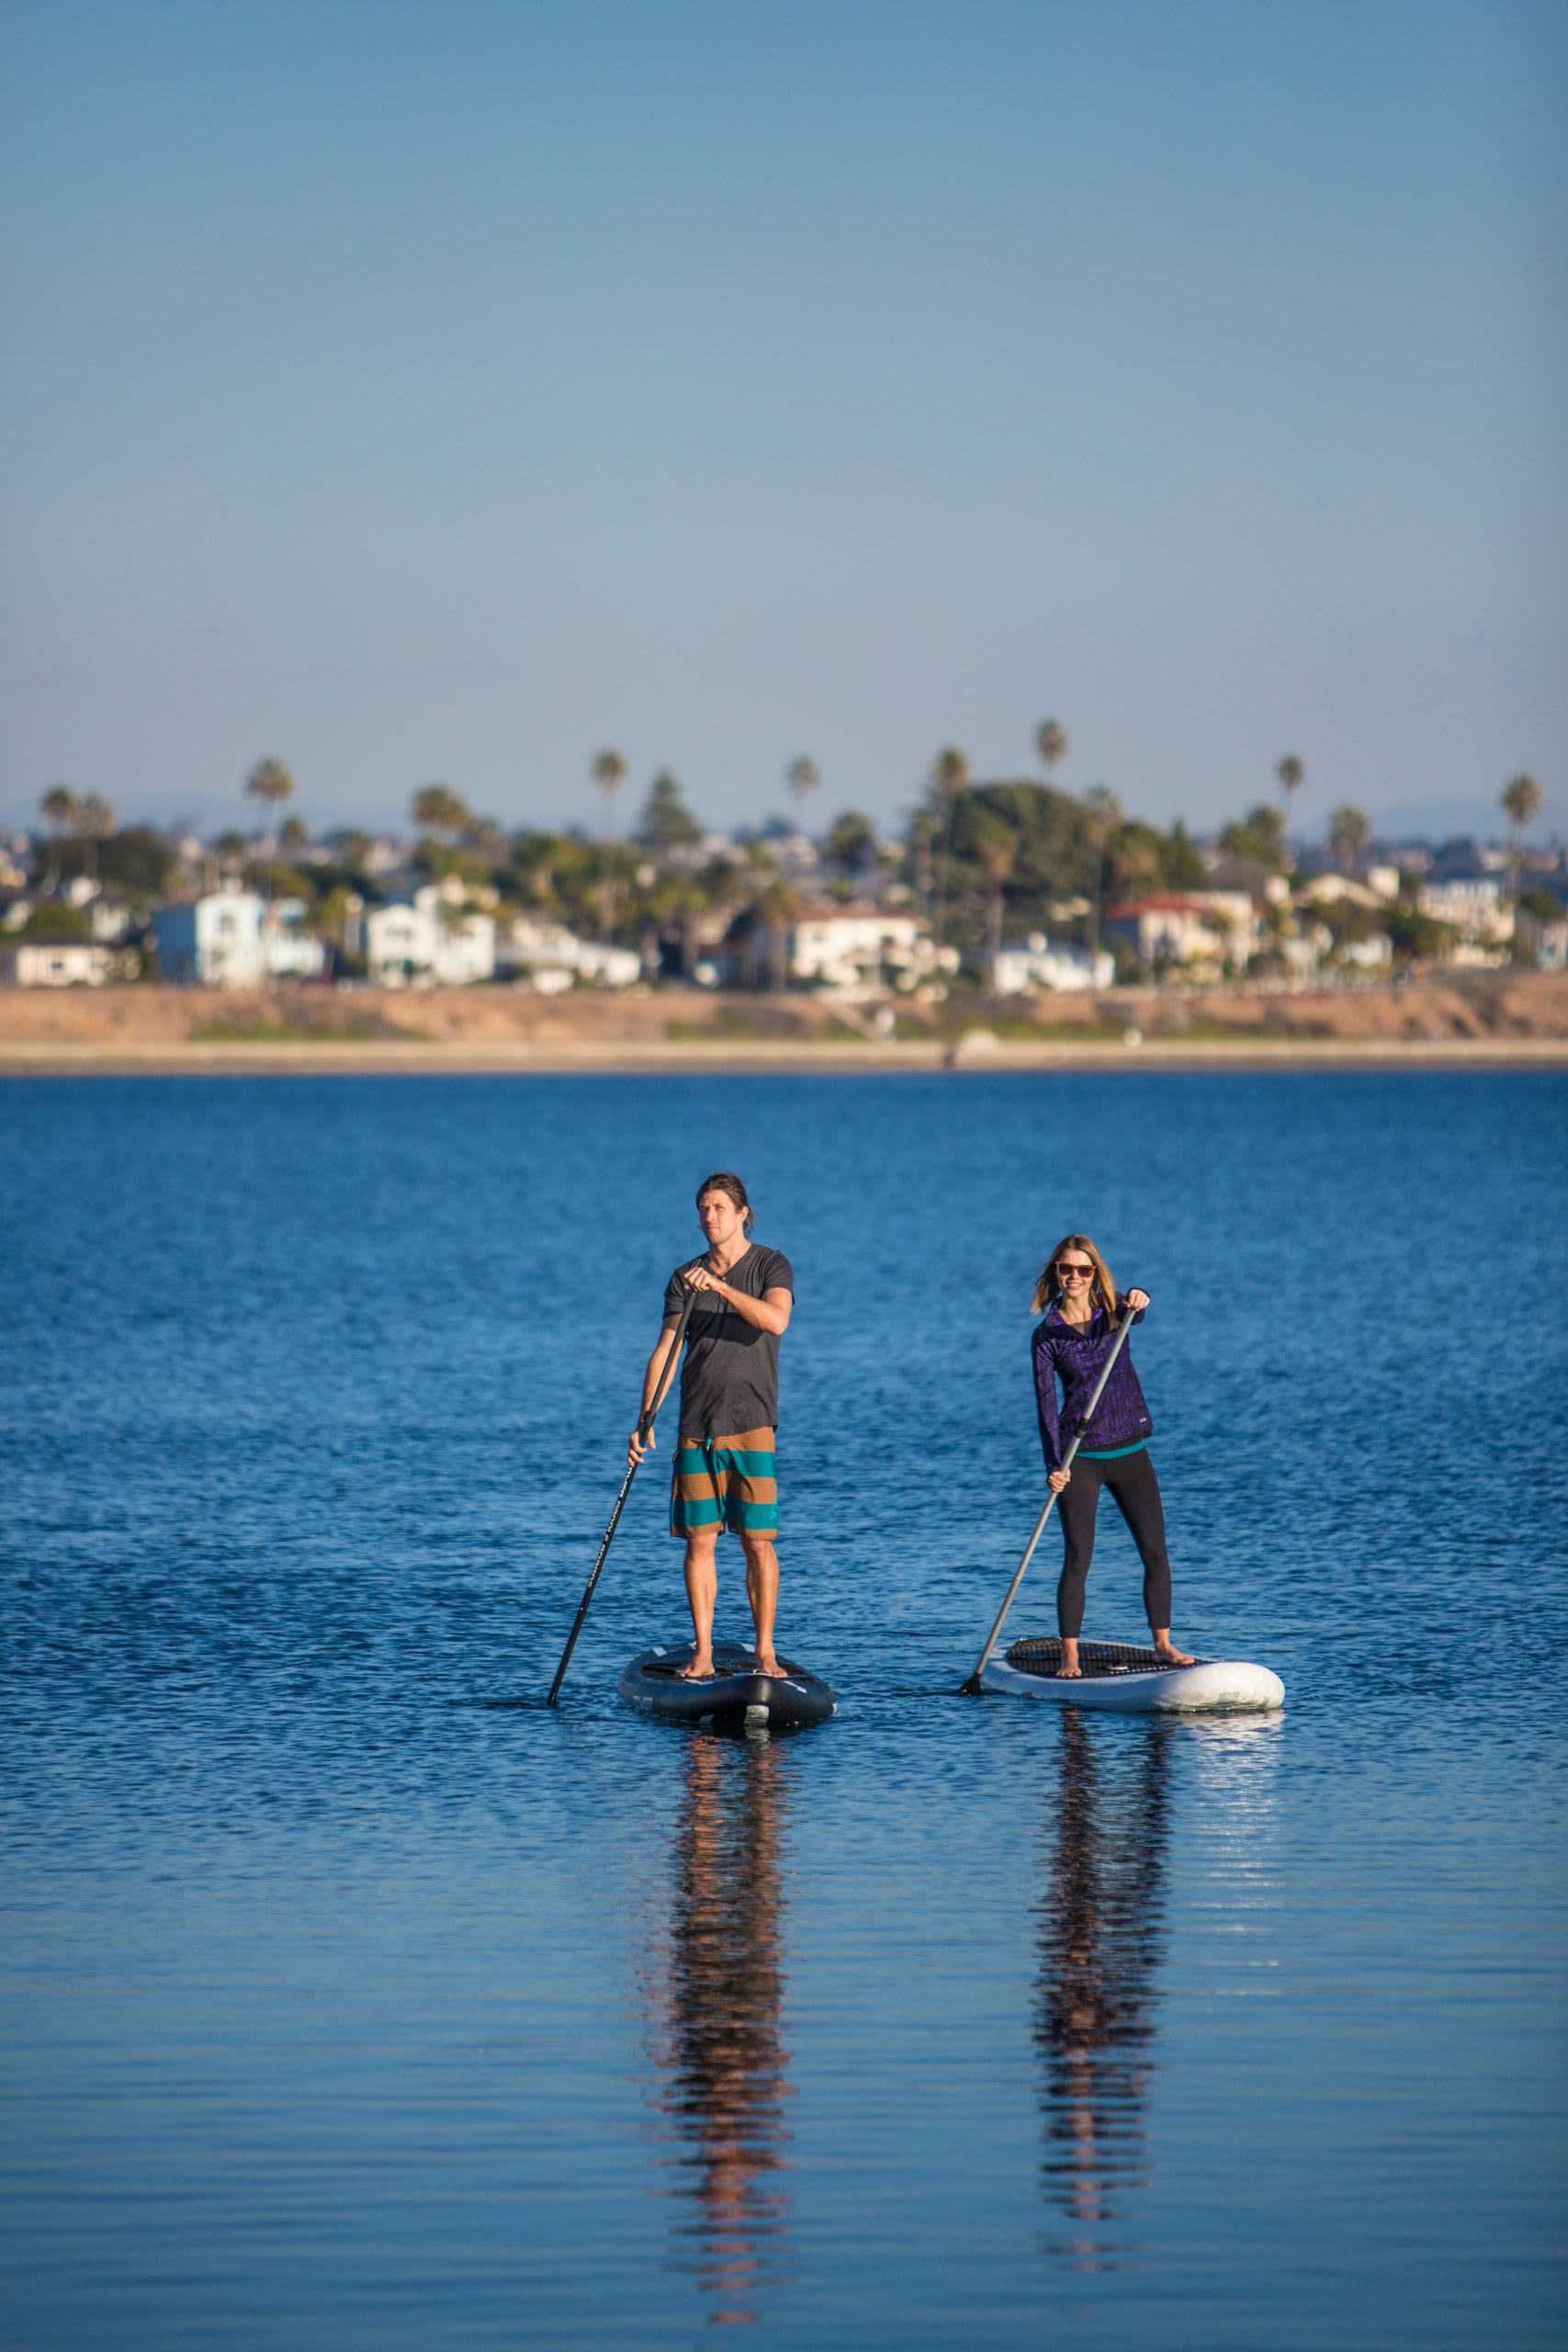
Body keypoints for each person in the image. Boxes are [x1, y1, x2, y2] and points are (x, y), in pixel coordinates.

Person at [629, 1172, 794, 1679]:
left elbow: (776, 1320)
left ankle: (765, 1654)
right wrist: (645, 1419)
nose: (709, 1216)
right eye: (703, 1207)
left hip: (752, 1424)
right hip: (696, 1425)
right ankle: (702, 1655)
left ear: (743, 1213)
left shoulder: (770, 1264)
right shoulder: (684, 1278)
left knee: (757, 1542)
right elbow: (665, 1352)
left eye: (719, 1207)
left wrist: (720, 1286)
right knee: (700, 1541)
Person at [1032, 1232, 1193, 1679]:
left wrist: (1141, 1295)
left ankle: (1163, 1646)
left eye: (1084, 1269)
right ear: (1056, 1272)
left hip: (1131, 1451)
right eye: (1067, 1268)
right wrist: (1054, 1465)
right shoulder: (1047, 1336)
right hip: (1080, 1457)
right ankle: (1069, 1656)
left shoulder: (1115, 1313)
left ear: (1094, 1273)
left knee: (1155, 1552)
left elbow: (1139, 1307)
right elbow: (1046, 1404)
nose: (1075, 1276)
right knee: (1078, 1557)